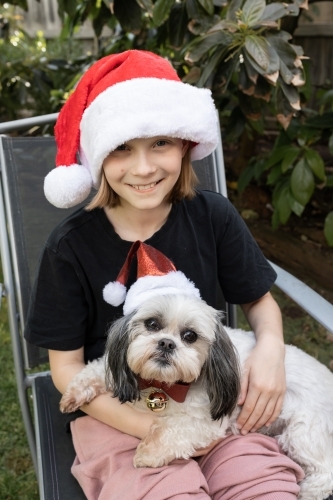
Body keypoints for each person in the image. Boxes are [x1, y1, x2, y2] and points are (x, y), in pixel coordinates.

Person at [25, 50, 304, 499]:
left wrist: (271, 350)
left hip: (215, 404)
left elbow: (258, 299)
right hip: (116, 411)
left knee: (264, 487)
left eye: (160, 143)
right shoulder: (69, 247)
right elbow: (67, 368)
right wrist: (149, 425)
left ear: (185, 144)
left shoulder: (212, 215)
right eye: (121, 149)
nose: (143, 168)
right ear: (96, 157)